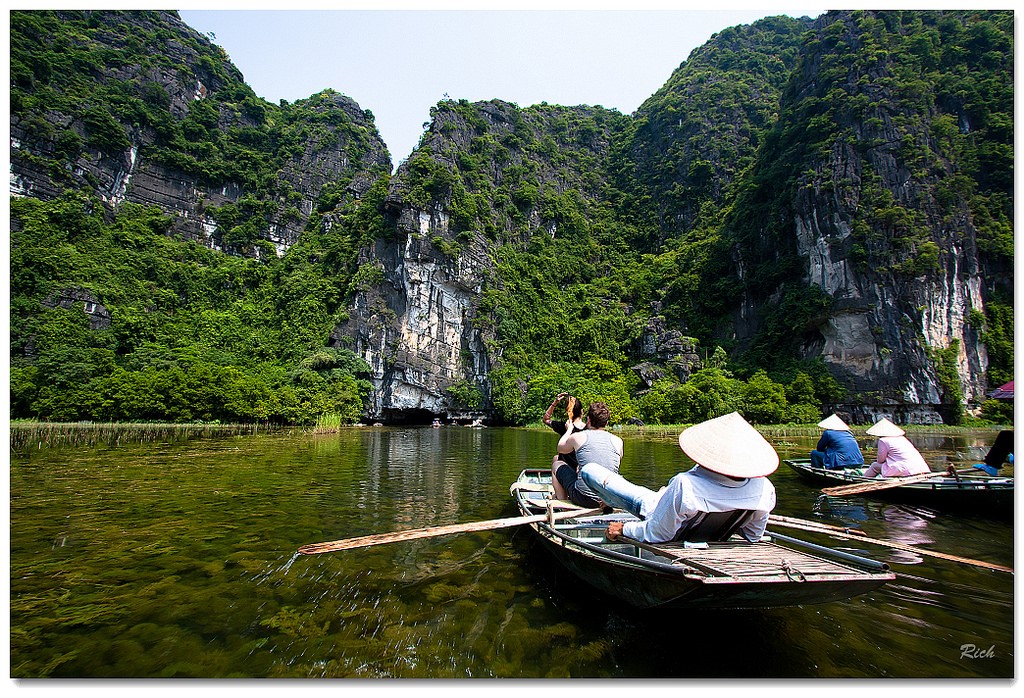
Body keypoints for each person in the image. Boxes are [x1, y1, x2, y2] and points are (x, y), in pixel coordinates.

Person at [579, 412, 777, 545]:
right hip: (666, 500)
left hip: (653, 507)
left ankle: (606, 500)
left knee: (589, 471)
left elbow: (659, 532)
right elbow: (753, 535)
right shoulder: (764, 489)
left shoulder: (687, 485)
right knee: (637, 490)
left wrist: (624, 529)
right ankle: (610, 498)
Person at [554, 401, 623, 507]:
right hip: (609, 499)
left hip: (584, 499)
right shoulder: (618, 441)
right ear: (606, 423)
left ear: (588, 420)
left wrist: (569, 430)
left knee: (557, 463)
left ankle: (563, 504)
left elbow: (560, 448)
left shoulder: (578, 436)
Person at [542, 393, 588, 495]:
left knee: (556, 460)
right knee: (556, 457)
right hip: (582, 470)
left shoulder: (565, 427)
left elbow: (546, 419)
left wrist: (555, 402)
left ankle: (561, 497)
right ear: (582, 412)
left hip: (569, 470)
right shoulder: (588, 429)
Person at [861, 418, 930, 477]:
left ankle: (861, 481)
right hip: (921, 468)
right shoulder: (902, 438)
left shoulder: (883, 440)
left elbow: (880, 460)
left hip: (904, 469)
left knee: (874, 466)